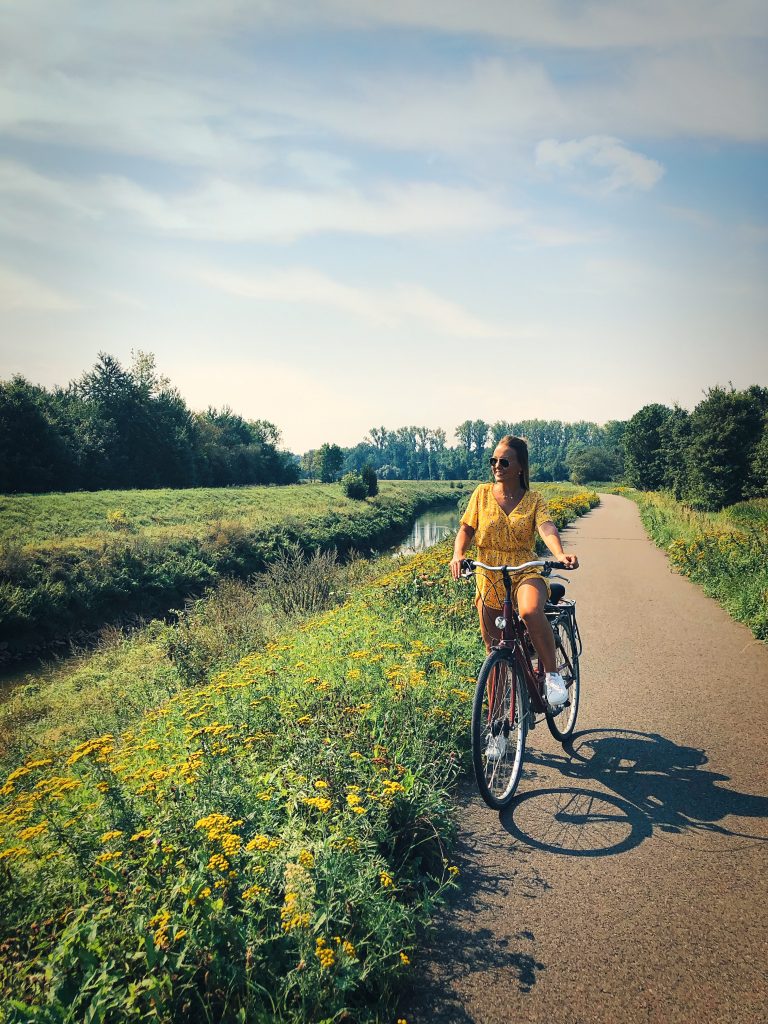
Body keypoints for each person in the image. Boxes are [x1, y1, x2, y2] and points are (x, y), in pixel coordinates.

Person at [449, 434, 579, 709]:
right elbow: (466, 530)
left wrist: (559, 554)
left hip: (525, 569)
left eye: (504, 461)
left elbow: (547, 527)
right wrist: (458, 554)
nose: (497, 466)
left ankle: (552, 675)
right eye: (493, 460)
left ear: (520, 467)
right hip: (489, 574)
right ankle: (497, 728)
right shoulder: (482, 494)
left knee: (530, 612)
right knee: (495, 653)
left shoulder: (533, 500)